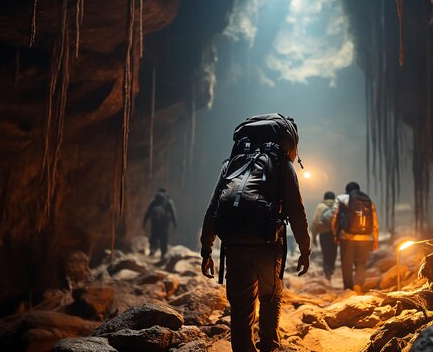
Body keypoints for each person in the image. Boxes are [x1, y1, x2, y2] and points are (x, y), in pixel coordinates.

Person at [200, 113, 310, 352]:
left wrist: (206, 249)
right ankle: (269, 346)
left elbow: (213, 206)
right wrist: (305, 249)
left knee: (240, 308)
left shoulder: (232, 163)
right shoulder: (282, 162)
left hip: (234, 243)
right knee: (270, 298)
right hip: (267, 245)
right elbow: (296, 210)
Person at [332, 181, 378, 293]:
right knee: (361, 263)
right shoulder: (366, 199)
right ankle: (358, 284)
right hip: (366, 238)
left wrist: (335, 234)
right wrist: (375, 240)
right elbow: (375, 223)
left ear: (347, 190)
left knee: (346, 263)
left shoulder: (341, 198)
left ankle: (348, 289)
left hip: (347, 237)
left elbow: (334, 218)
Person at [142, 188, 177, 259]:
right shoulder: (168, 202)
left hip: (155, 223)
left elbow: (148, 212)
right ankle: (163, 253)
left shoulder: (154, 201)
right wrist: (175, 224)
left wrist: (144, 222)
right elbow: (173, 213)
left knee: (154, 236)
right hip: (164, 224)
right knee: (164, 237)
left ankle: (152, 249)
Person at [310, 191, 337, 281]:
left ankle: (327, 269)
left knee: (326, 253)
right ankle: (331, 268)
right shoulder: (336, 206)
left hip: (323, 234)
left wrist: (314, 237)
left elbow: (315, 222)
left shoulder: (320, 207)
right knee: (333, 252)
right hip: (334, 234)